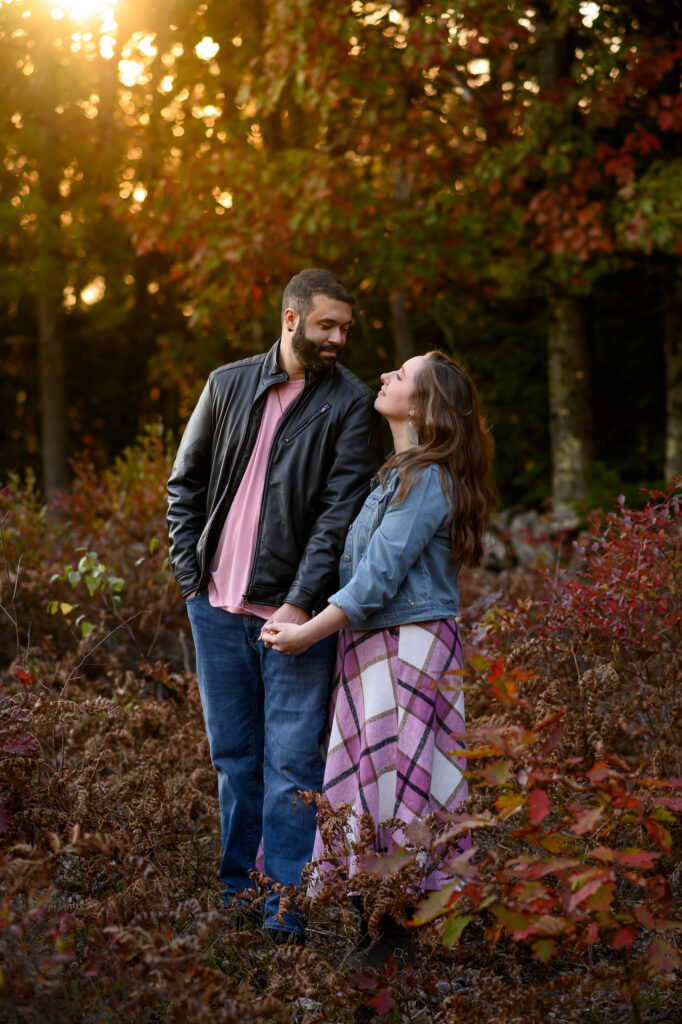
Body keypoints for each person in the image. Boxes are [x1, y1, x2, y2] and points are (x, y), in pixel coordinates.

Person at [166, 268, 383, 943]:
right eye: (326, 325)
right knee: (234, 760)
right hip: (216, 609)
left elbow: (337, 516)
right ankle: (238, 896)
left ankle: (284, 915)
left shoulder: (350, 404)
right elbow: (186, 483)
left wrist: (295, 604)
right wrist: (190, 580)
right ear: (291, 320)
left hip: (292, 622)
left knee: (292, 768)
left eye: (344, 327)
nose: (337, 338)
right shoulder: (228, 384)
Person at [261, 350, 495, 966]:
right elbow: (357, 570)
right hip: (371, 649)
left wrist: (308, 632)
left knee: (397, 785)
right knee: (371, 785)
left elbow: (376, 581)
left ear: (421, 404)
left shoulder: (429, 478)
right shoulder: (396, 472)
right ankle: (379, 927)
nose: (386, 376)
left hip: (406, 647)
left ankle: (394, 937)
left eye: (402, 374)